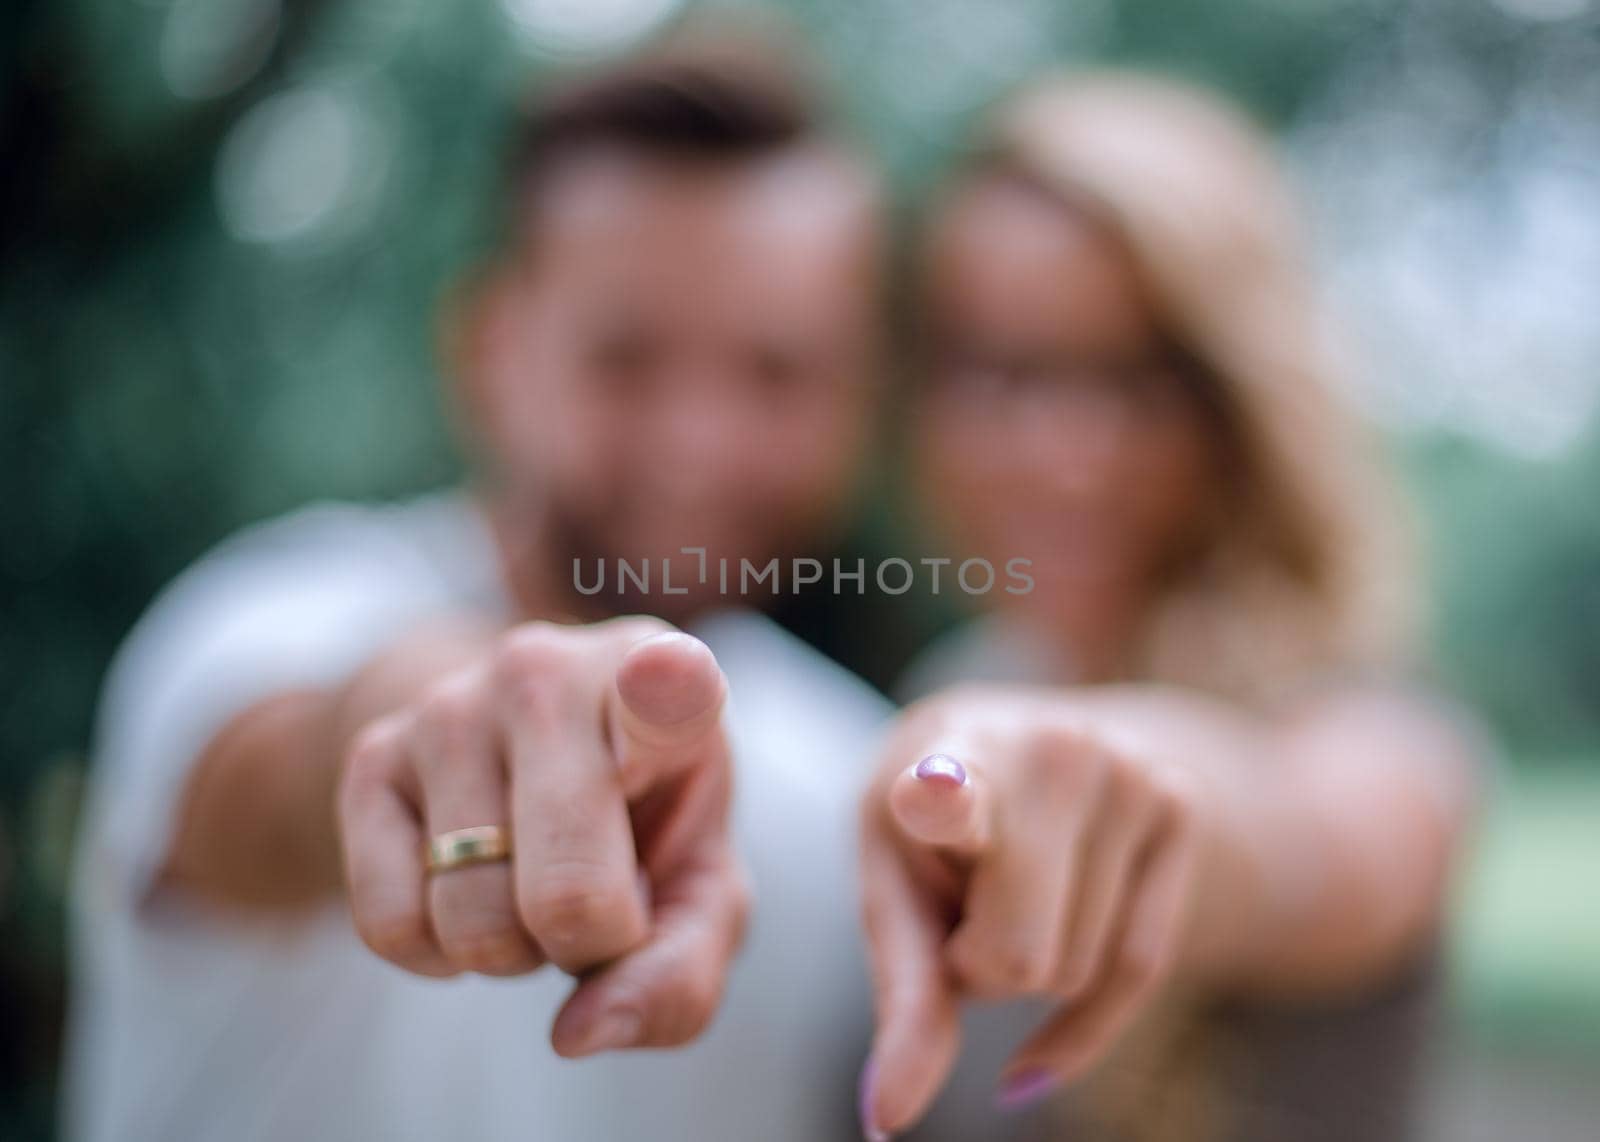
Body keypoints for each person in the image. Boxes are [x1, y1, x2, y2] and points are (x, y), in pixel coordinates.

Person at [63, 29, 900, 1141]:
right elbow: (298, 758)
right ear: (489, 351)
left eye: (775, 370)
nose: (700, 441)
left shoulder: (862, 779)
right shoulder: (260, 620)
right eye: (626, 357)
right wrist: (439, 737)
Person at [852, 73, 1483, 1142]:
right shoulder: (960, 684)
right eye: (1000, 371)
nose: (1064, 454)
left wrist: (1101, 772)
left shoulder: (1377, 742)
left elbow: (1294, 845)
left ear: (1237, 406)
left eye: (1135, 376)